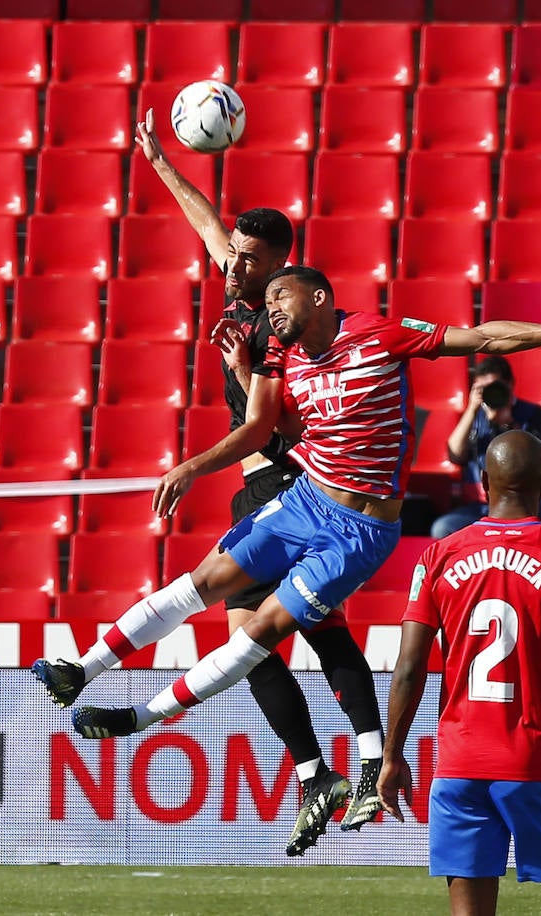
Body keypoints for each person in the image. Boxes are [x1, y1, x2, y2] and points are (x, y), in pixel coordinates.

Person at [31, 266, 541, 852]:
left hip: (361, 531)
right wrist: (201, 452)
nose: (271, 309)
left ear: (319, 297)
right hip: (303, 500)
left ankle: (137, 718)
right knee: (204, 581)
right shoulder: (281, 359)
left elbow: (480, 336)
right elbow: (261, 431)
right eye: (266, 303)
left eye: (281, 297)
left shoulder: (377, 334)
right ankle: (80, 671)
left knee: (263, 629)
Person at [133, 108, 389, 853]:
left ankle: (356, 767)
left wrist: (247, 380)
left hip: (290, 484)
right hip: (261, 489)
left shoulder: (277, 320)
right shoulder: (248, 290)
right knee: (262, 636)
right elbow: (206, 222)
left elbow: (294, 427)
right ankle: (326, 774)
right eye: (234, 255)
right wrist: (160, 165)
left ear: (279, 262)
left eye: (249, 258)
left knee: (279, 633)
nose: (233, 262)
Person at [377, 430, 541, 916]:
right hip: (536, 763)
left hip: (458, 765)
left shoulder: (437, 556)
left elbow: (408, 668)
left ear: (483, 482)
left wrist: (392, 755)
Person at [430, 355, 541, 538]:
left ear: (510, 384)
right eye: (484, 388)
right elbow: (455, 455)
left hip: (526, 504)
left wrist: (508, 424)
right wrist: (472, 409)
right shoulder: (474, 416)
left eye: (495, 387)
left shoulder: (533, 415)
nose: (491, 393)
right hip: (482, 506)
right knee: (443, 528)